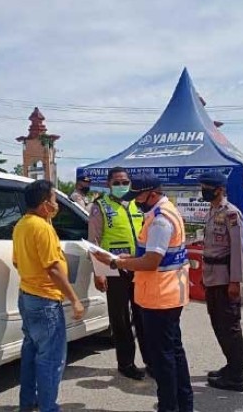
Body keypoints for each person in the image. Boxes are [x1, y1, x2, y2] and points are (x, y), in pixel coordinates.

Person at [94, 172, 193, 412]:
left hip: (160, 296)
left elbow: (151, 261)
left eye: (138, 195)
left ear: (152, 193)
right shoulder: (166, 211)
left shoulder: (160, 219)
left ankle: (169, 406)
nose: (136, 200)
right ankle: (182, 404)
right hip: (169, 293)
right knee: (173, 352)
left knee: (164, 359)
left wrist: (119, 263)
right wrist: (131, 258)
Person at [12, 179, 85, 412]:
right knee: (51, 360)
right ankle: (48, 407)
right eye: (54, 200)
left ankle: (27, 403)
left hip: (27, 296)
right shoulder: (42, 228)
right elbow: (52, 268)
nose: (57, 205)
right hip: (45, 300)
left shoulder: (23, 224)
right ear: (45, 204)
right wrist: (74, 299)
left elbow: (17, 261)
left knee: (31, 352)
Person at [88, 166, 148, 380]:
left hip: (138, 266)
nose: (122, 186)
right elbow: (93, 242)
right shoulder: (100, 206)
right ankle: (126, 363)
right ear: (108, 184)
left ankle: (150, 360)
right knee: (120, 318)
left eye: (125, 182)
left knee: (143, 316)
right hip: (114, 269)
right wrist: (99, 272)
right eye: (117, 182)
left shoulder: (137, 204)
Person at [198, 172, 243, 392]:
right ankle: (231, 364)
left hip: (225, 277)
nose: (203, 191)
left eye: (206, 187)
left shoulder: (231, 214)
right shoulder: (212, 211)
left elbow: (237, 250)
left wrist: (235, 281)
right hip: (211, 276)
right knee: (218, 324)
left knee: (229, 325)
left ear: (219, 189)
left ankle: (237, 375)